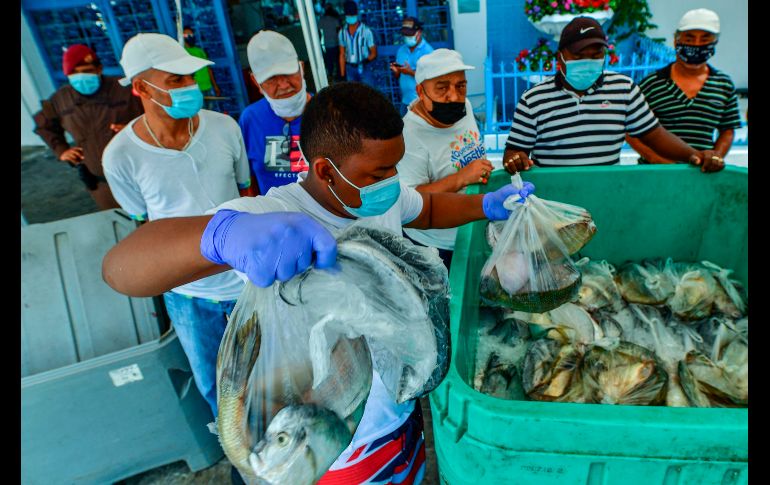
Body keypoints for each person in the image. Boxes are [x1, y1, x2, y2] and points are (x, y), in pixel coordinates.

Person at [102, 82, 527, 485]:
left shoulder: (381, 195)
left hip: (398, 414)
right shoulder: (273, 214)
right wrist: (222, 237)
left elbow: (428, 208)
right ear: (325, 169)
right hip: (331, 440)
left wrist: (487, 205)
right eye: (380, 170)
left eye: (396, 166)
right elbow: (122, 268)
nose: (393, 180)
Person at [101, 33, 251, 423]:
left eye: (190, 79)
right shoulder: (120, 156)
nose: (189, 88)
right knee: (216, 387)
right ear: (140, 88)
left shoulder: (224, 128)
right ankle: (241, 458)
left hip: (247, 284)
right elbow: (144, 224)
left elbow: (246, 190)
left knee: (271, 374)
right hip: (189, 297)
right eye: (176, 81)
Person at [503, 16, 723, 174]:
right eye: (579, 55)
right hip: (554, 200)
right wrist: (515, 160)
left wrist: (694, 155)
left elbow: (654, 135)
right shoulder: (534, 99)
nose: (588, 61)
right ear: (560, 57)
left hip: (607, 195)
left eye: (596, 54)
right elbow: (514, 152)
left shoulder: (624, 89)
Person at [398, 49, 490, 269]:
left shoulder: (464, 108)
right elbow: (409, 201)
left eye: (461, 86)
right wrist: (461, 178)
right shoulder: (409, 135)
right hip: (436, 245)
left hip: (473, 226)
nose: (454, 96)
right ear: (420, 91)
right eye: (442, 88)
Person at [626, 9, 741, 172]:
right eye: (689, 38)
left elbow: (727, 130)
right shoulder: (652, 83)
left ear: (715, 42)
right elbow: (630, 130)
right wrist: (655, 158)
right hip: (655, 174)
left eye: (705, 39)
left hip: (702, 175)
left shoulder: (723, 84)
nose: (696, 44)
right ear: (676, 40)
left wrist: (715, 158)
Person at [33, 44, 144, 210]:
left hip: (141, 176)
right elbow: (44, 126)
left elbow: (155, 114)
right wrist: (62, 150)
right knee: (123, 225)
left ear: (99, 68)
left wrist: (136, 129)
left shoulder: (125, 89)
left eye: (86, 70)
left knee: (158, 224)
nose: (81, 77)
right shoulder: (60, 100)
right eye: (73, 73)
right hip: (102, 184)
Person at [239, 30, 312, 195]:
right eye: (271, 78)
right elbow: (248, 181)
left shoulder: (329, 112)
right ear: (255, 82)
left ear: (301, 68)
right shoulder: (250, 119)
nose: (284, 85)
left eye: (288, 73)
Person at [391, 16, 434, 112]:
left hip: (422, 103)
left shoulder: (428, 51)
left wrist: (411, 72)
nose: (407, 37)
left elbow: (431, 78)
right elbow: (398, 76)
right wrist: (397, 71)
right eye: (405, 35)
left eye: (410, 35)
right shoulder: (401, 50)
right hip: (405, 101)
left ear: (419, 33)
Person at [183, 26, 221, 111]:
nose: (190, 36)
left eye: (191, 34)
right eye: (187, 35)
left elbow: (208, 69)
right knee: (202, 112)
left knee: (212, 110)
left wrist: (215, 86)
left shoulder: (200, 51)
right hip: (196, 88)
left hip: (208, 86)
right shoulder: (183, 52)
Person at [338, 1, 377, 85]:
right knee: (353, 95)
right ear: (345, 15)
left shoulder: (366, 31)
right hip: (350, 68)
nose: (351, 17)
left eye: (353, 14)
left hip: (364, 68)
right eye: (349, 15)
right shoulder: (342, 33)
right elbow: (342, 54)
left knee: (368, 92)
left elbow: (373, 53)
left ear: (356, 14)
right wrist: (342, 75)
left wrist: (365, 61)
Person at [318, 4, 342, 81]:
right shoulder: (335, 20)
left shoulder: (322, 20)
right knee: (337, 61)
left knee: (329, 62)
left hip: (327, 44)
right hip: (336, 43)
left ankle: (331, 76)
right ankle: (338, 76)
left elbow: (319, 32)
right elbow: (339, 32)